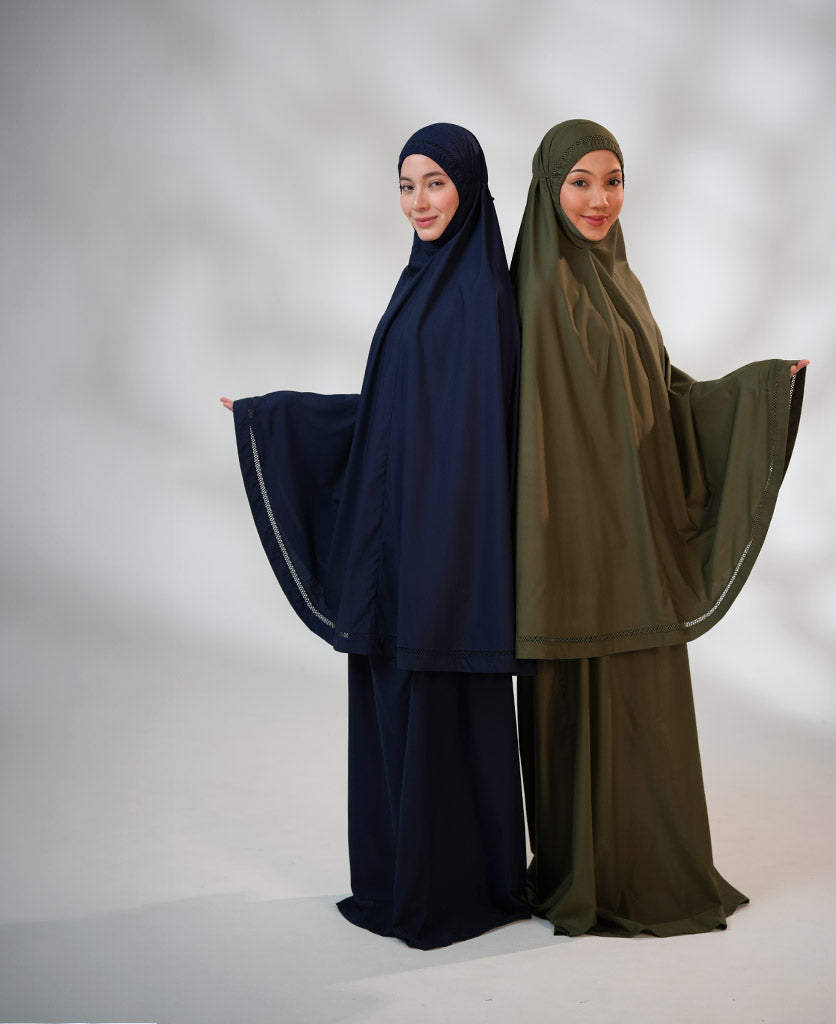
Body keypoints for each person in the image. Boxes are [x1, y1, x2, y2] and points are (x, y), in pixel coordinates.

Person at [220, 124, 530, 949]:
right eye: (405, 185)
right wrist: (275, 415)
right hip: (403, 544)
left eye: (435, 183)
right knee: (399, 706)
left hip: (443, 554)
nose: (418, 202)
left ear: (470, 187)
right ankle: (409, 879)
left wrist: (444, 566)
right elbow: (396, 411)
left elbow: (474, 438)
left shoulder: (478, 298)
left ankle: (446, 891)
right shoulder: (423, 279)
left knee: (437, 706)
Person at [511, 118, 808, 938]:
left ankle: (647, 872)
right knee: (576, 713)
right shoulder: (531, 296)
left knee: (649, 710)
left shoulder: (624, 284)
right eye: (580, 182)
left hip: (635, 543)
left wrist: (756, 390)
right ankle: (583, 876)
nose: (599, 199)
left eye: (612, 181)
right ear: (548, 189)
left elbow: (662, 396)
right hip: (566, 552)